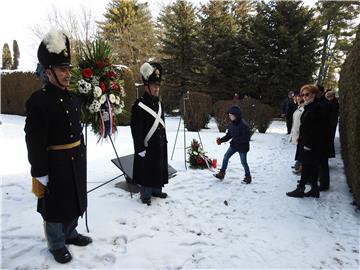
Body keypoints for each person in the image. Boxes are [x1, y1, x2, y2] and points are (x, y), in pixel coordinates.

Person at [24, 29, 92, 264]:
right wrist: (39, 171)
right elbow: (33, 140)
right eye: (62, 69)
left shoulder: (73, 99)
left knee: (73, 198)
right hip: (53, 164)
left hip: (74, 159)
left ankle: (70, 233)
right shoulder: (38, 101)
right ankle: (56, 243)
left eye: (68, 69)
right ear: (49, 71)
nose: (67, 74)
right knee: (55, 205)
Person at [130, 62, 168, 206]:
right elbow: (136, 129)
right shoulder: (138, 105)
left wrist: (164, 142)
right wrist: (140, 148)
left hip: (159, 144)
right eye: (154, 85)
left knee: (158, 168)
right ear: (146, 87)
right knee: (148, 170)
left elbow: (162, 125)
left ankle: (156, 190)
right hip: (147, 146)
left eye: (158, 85)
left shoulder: (160, 104)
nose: (157, 88)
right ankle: (146, 194)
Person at [286, 84, 322, 198]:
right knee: (311, 166)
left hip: (310, 143)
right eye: (303, 95)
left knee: (306, 165)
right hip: (306, 140)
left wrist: (308, 144)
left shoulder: (316, 107)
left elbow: (316, 128)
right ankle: (314, 189)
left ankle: (301, 188)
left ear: (314, 95)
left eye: (307, 94)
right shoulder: (309, 106)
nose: (304, 97)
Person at [214, 106, 252, 184]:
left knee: (243, 162)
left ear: (236, 115)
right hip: (234, 145)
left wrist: (236, 140)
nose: (229, 116)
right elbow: (229, 135)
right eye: (229, 115)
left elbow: (246, 138)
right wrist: (221, 140)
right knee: (226, 157)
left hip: (242, 147)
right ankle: (222, 173)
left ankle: (248, 177)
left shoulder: (243, 125)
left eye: (231, 115)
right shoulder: (231, 124)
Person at [289, 91, 304, 174]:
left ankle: (300, 167)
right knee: (299, 151)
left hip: (300, 134)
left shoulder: (303, 108)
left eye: (298, 96)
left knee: (301, 152)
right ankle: (298, 165)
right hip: (296, 132)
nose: (296, 98)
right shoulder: (299, 107)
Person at [325, 90, 339, 157]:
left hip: (331, 123)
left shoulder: (334, 103)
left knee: (330, 139)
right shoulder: (333, 102)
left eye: (328, 97)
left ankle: (330, 153)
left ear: (332, 96)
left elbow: (332, 113)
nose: (327, 98)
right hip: (331, 123)